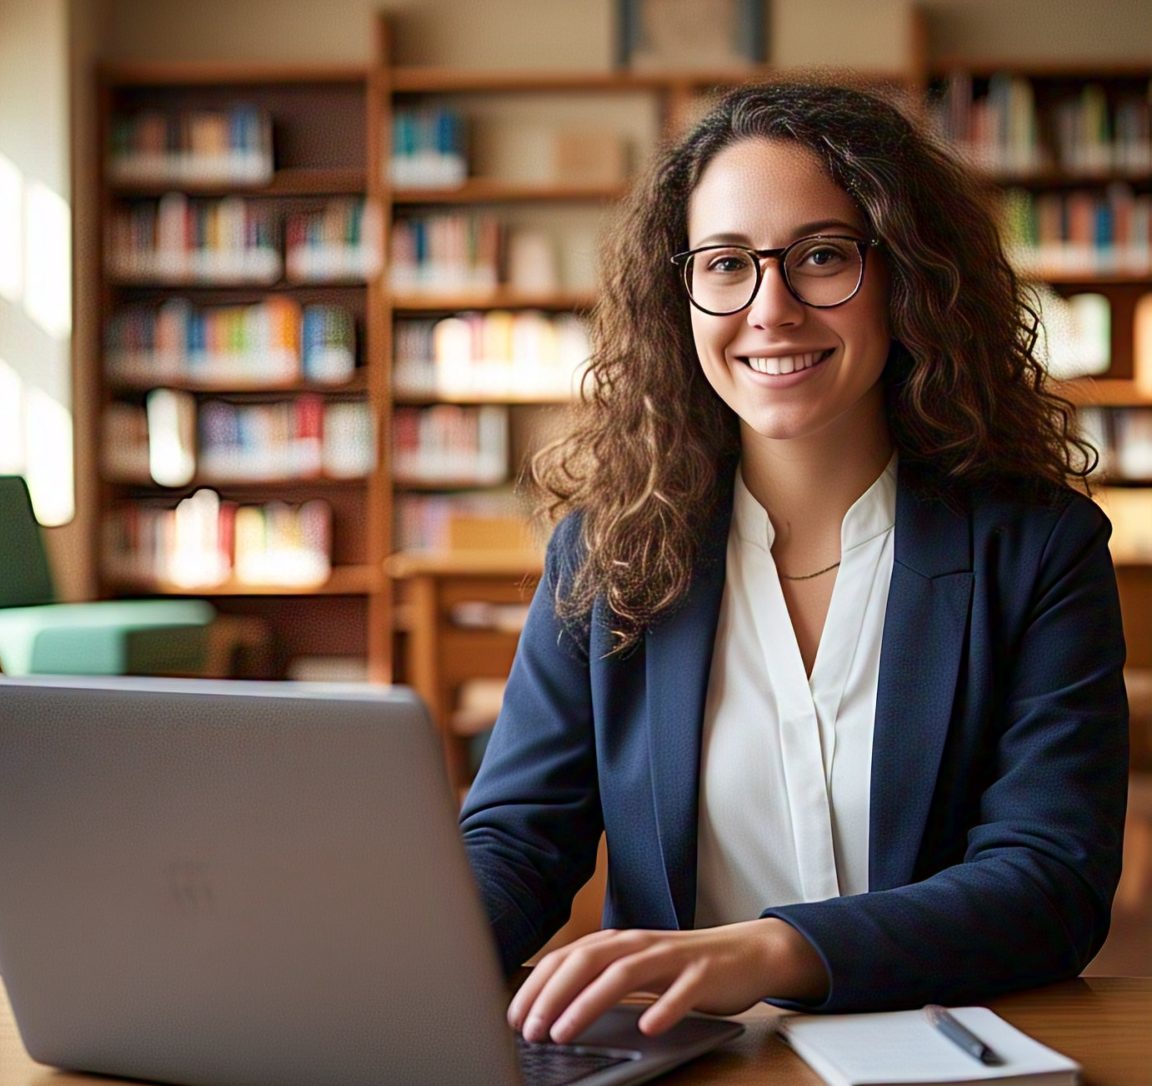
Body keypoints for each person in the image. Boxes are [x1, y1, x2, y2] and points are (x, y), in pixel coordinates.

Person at [458, 80, 1129, 1046]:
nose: (769, 309)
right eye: (726, 264)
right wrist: (378, 966)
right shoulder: (607, 553)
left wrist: (765, 952)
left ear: (907, 276)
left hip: (941, 1054)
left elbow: (1048, 880)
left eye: (821, 256)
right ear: (678, 293)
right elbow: (517, 841)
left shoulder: (1037, 547)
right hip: (676, 1061)